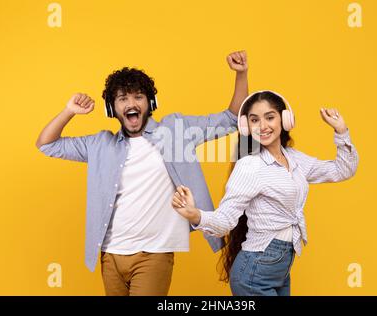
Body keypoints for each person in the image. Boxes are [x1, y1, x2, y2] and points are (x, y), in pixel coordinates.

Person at [36, 51, 249, 296]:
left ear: (150, 103)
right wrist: (69, 111)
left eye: (138, 97)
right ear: (112, 108)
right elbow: (47, 144)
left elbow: (232, 118)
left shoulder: (176, 130)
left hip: (154, 254)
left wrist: (241, 73)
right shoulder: (100, 145)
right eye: (122, 99)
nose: (131, 104)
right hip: (111, 255)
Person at [171, 90, 359, 296]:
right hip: (254, 274)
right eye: (254, 120)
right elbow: (226, 219)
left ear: (285, 119)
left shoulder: (295, 160)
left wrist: (341, 132)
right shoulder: (250, 166)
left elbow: (343, 170)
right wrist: (195, 214)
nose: (263, 126)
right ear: (246, 126)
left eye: (269, 117)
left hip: (279, 270)